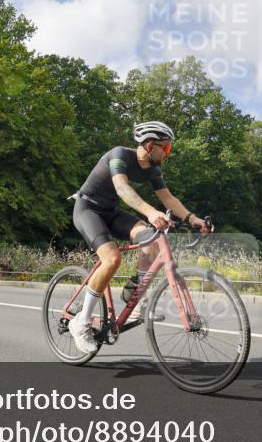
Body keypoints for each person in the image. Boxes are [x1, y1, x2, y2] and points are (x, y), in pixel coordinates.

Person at [68, 121, 210, 353]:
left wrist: (192, 218)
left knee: (153, 242)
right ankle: (80, 322)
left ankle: (134, 299)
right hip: (88, 209)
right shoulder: (119, 156)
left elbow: (168, 199)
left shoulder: (153, 169)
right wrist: (151, 212)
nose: (168, 154)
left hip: (111, 212)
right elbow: (122, 189)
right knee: (112, 258)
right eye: (166, 148)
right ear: (149, 144)